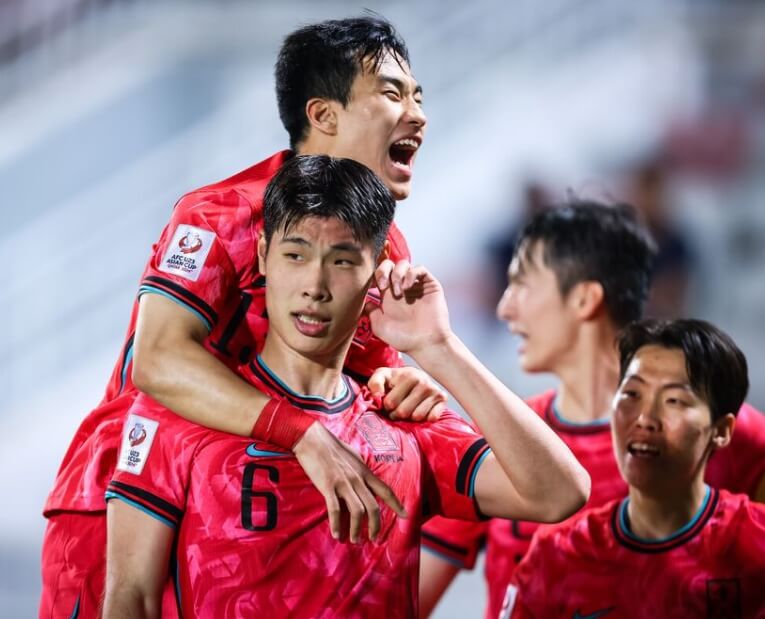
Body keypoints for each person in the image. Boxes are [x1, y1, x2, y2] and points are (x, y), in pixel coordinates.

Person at [41, 15, 445, 619]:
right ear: (324, 115)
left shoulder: (390, 247)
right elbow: (159, 358)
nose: (417, 114)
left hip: (251, 519)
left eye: (418, 97)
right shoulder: (220, 215)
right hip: (131, 506)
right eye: (392, 94)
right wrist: (300, 432)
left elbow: (361, 385)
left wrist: (400, 383)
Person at [103, 155, 589, 618]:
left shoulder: (404, 422)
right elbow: (131, 597)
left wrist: (440, 348)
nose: (314, 284)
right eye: (296, 254)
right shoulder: (176, 415)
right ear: (263, 255)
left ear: (376, 270)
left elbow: (559, 493)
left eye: (341, 261)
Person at [419, 200, 765, 619]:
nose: (505, 307)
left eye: (522, 284)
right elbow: (403, 599)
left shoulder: (727, 432)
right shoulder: (498, 440)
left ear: (584, 298)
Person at [500, 319, 765, 618]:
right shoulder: (558, 555)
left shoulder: (756, 540)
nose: (645, 418)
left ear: (722, 429)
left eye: (674, 400)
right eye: (632, 394)